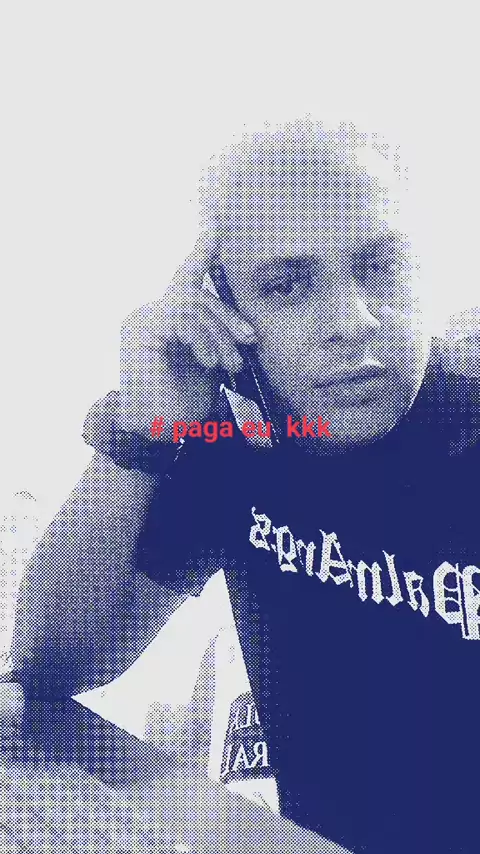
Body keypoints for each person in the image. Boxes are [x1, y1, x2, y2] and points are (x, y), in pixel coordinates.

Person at [10, 119, 480, 854]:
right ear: (223, 307)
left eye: (381, 265)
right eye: (286, 285)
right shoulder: (234, 441)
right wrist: (144, 430)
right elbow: (53, 660)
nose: (352, 322)